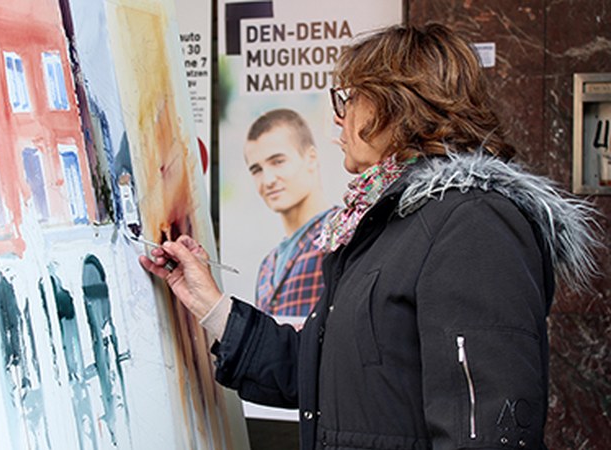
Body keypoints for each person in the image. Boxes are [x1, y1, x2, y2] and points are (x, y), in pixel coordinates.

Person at [140, 23, 602, 450]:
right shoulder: (389, 223)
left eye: (348, 100)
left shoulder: (474, 224)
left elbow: (484, 430)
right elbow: (322, 372)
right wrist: (209, 303)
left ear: (395, 103)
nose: (337, 121)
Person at [243, 109, 337, 317]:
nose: (268, 180)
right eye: (257, 170)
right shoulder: (268, 265)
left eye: (278, 161)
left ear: (311, 158)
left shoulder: (341, 232)